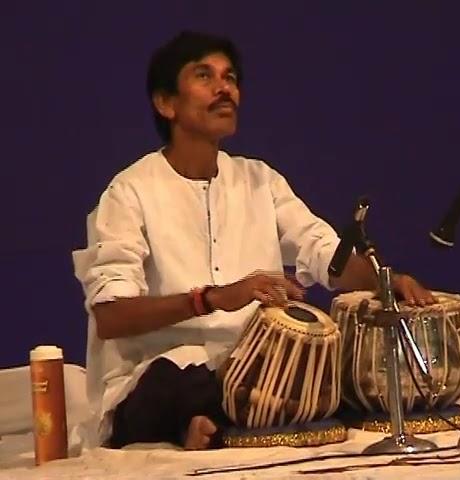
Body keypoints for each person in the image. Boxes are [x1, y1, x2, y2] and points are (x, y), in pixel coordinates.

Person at [72, 30, 434, 450]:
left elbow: (323, 251)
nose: (224, 88)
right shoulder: (129, 192)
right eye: (204, 76)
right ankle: (199, 423)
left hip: (256, 369)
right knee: (175, 385)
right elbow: (112, 317)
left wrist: (383, 281)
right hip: (163, 373)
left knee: (343, 368)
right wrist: (209, 299)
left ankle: (224, 423)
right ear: (165, 103)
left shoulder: (259, 180)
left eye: (230, 78)